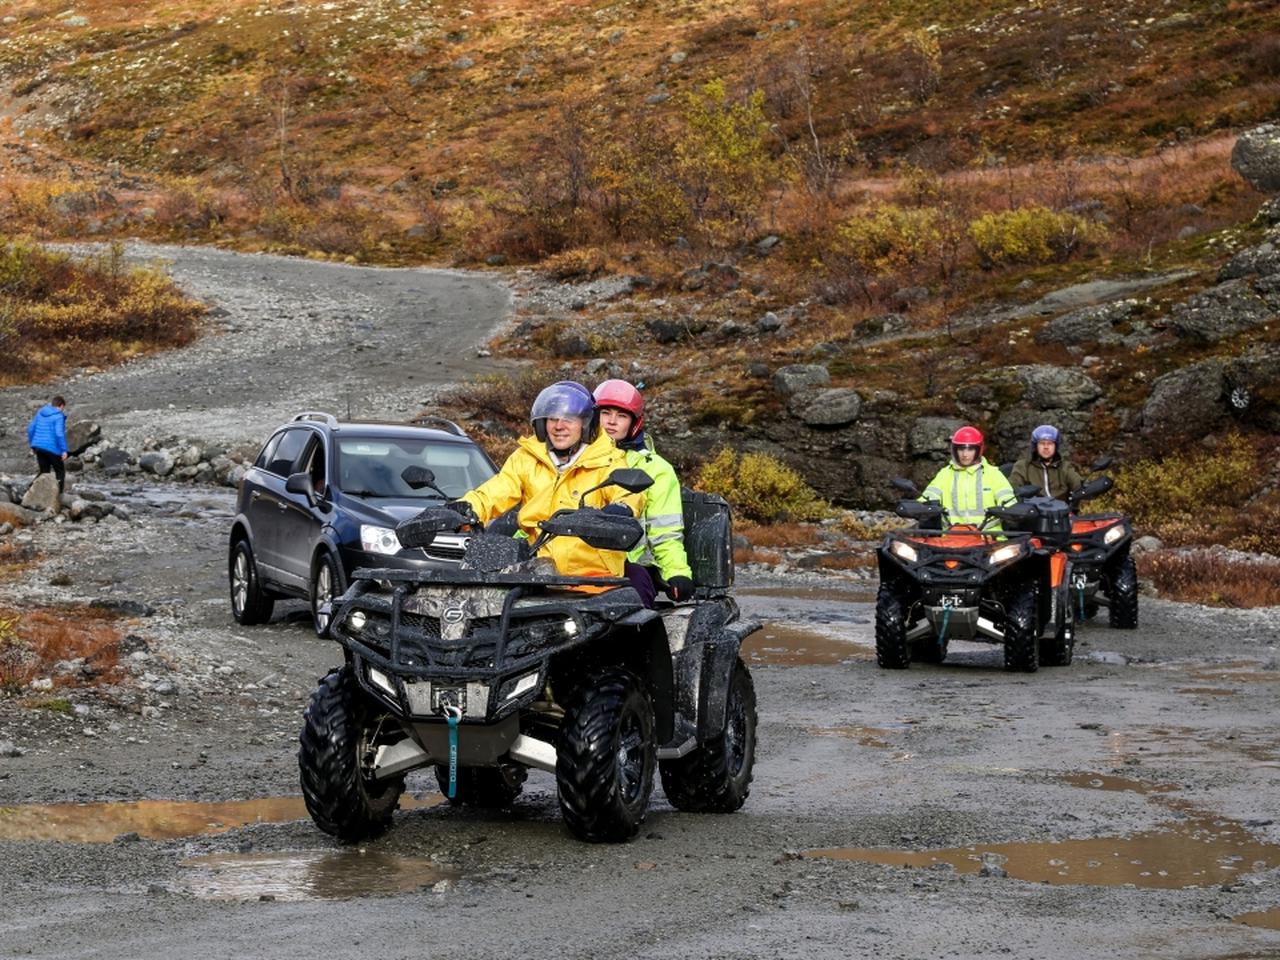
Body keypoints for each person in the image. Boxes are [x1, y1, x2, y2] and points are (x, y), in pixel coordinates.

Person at [449, 381, 644, 580]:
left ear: (586, 423)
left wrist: (618, 511)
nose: (559, 426)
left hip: (592, 576)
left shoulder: (608, 459)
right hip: (538, 572)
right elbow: (496, 490)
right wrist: (460, 510)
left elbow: (628, 495)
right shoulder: (526, 458)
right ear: (543, 424)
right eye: (553, 418)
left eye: (569, 419)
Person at [593, 379, 695, 608]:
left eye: (621, 416)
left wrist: (677, 572)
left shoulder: (657, 469)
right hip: (576, 562)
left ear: (634, 423)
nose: (611, 421)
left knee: (633, 611)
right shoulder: (574, 459)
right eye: (605, 413)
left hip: (629, 565)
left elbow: (666, 532)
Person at [921, 426, 1015, 529]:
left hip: (990, 538)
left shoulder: (993, 474)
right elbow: (926, 500)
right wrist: (915, 507)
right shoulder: (945, 474)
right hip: (951, 538)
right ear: (954, 450)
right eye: (961, 449)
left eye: (970, 449)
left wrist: (1012, 510)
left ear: (979, 450)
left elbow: (1010, 504)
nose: (965, 454)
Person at [1007, 424, 1084, 502]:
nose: (1046, 447)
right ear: (1036, 446)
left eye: (1050, 443)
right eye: (1042, 443)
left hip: (1062, 511)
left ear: (1055, 446)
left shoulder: (1065, 467)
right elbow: (1013, 487)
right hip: (1033, 510)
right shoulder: (1023, 466)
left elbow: (1079, 485)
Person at [26, 394, 69, 494]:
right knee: (60, 472)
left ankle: (29, 491)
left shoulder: (40, 412)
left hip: (39, 447)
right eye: (63, 408)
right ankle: (58, 496)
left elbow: (30, 429)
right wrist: (64, 450)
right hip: (52, 448)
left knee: (44, 472)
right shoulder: (58, 416)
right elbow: (59, 434)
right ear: (61, 406)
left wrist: (32, 445)